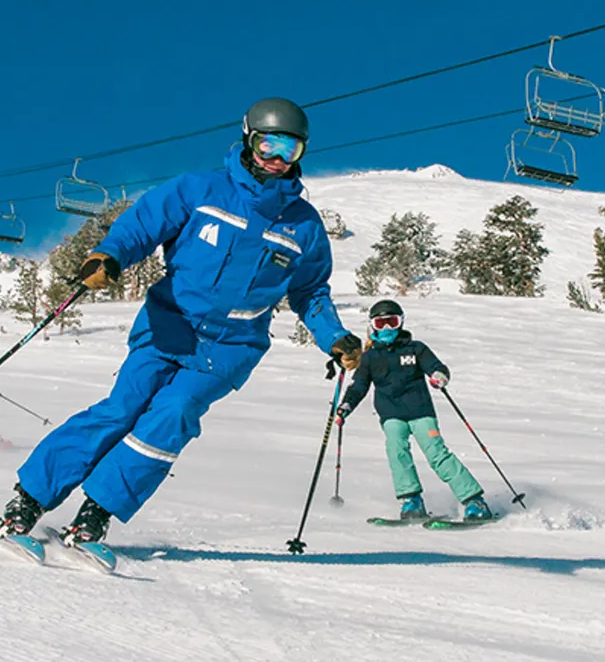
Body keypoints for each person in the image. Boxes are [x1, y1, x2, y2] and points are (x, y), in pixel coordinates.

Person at [0, 98, 363, 545]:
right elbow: (142, 225)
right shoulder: (200, 190)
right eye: (268, 145)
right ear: (249, 141)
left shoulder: (304, 227)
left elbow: (310, 292)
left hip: (230, 347)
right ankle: (29, 499)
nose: (276, 159)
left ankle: (98, 511)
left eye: (289, 150)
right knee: (121, 409)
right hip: (167, 324)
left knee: (173, 414)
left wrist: (336, 338)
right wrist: (109, 256)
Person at [336, 299, 492, 521]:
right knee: (396, 452)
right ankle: (411, 500)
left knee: (437, 454)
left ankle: (474, 501)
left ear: (401, 323)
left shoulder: (415, 349)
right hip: (391, 415)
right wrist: (345, 406)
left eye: (392, 322)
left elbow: (436, 367)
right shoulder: (370, 358)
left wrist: (439, 376)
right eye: (381, 324)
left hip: (420, 411)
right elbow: (359, 386)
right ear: (373, 326)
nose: (388, 328)